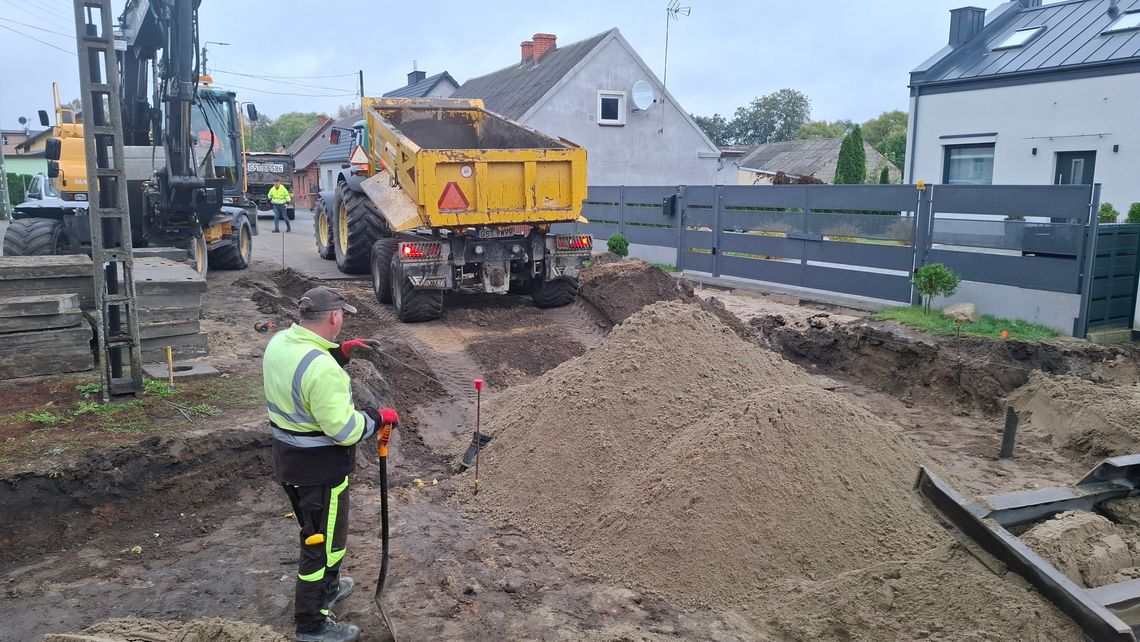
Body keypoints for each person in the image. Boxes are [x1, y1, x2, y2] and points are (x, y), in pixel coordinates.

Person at [263, 286, 398, 642]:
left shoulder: (280, 342)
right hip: (320, 471)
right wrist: (377, 416)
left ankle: (329, 588)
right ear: (335, 317)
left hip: (290, 461)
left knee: (318, 535)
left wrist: (341, 352)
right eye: (342, 319)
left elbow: (303, 372)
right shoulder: (322, 370)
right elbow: (345, 430)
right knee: (321, 545)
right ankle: (312, 622)